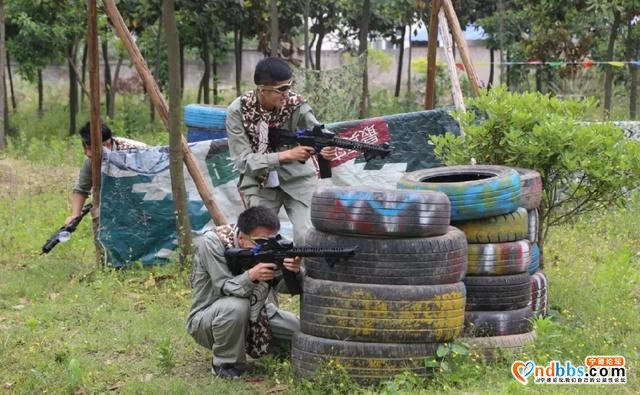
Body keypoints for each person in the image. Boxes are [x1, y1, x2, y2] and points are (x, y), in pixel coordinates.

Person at [225, 57, 336, 246]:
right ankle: (260, 275)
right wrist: (286, 156)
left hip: (297, 178)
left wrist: (326, 148)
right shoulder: (238, 111)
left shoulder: (296, 104)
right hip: (259, 182)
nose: (287, 94)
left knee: (307, 236)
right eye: (281, 89)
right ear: (262, 90)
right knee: (259, 241)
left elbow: (319, 132)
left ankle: (303, 275)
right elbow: (243, 161)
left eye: (290, 86)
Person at [186, 206, 302, 379]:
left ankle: (274, 350)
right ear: (241, 238)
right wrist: (251, 276)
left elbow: (284, 287)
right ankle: (226, 365)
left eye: (274, 239)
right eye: (261, 242)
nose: (269, 245)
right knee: (237, 305)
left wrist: (293, 272)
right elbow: (223, 286)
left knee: (300, 332)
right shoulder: (213, 241)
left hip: (259, 317)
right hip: (209, 319)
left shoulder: (273, 244)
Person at [65, 122, 146, 226]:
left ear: (107, 145)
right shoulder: (91, 161)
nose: (87, 153)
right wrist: (75, 215)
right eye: (85, 147)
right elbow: (81, 189)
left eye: (90, 148)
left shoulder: (135, 152)